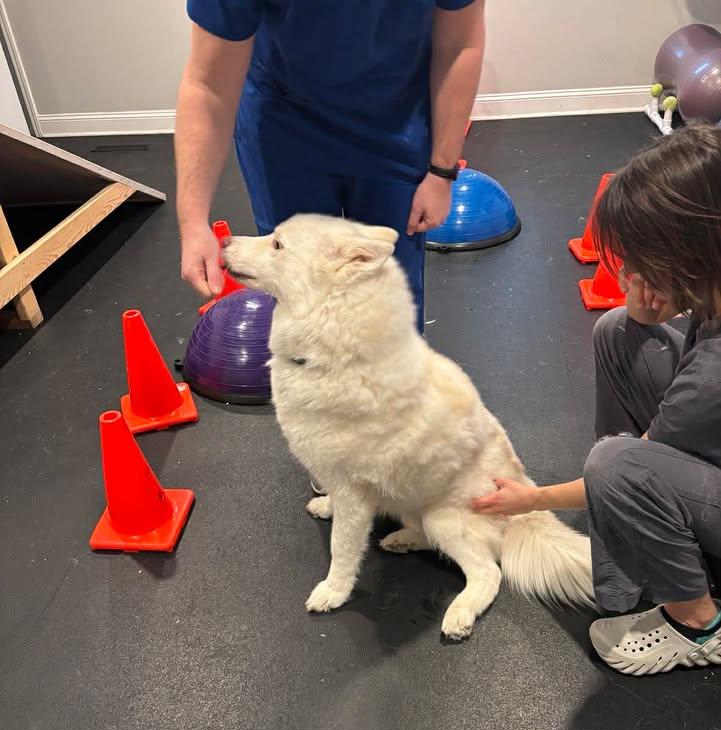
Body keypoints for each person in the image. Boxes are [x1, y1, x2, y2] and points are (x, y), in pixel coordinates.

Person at [472, 125, 721, 676]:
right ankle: (642, 524)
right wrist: (651, 302)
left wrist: (531, 499)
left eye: (642, 257)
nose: (630, 272)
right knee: (618, 330)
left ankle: (700, 624)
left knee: (616, 465)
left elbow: (634, 457)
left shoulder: (714, 375)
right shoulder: (713, 287)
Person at [175, 0, 487, 333]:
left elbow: (460, 45)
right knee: (301, 301)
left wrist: (441, 171)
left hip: (395, 123)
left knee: (389, 309)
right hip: (284, 125)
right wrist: (192, 222)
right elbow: (209, 86)